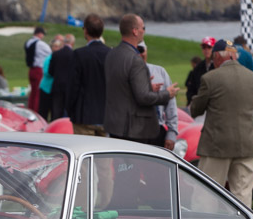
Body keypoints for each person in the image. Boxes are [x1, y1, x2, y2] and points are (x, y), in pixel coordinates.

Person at [190, 39, 253, 206]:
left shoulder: (210, 78)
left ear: (217, 57)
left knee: (207, 195)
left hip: (217, 145)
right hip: (247, 143)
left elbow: (196, 110)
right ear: (234, 56)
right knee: (243, 195)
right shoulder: (252, 78)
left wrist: (196, 99)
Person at [103, 14, 178, 144]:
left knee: (121, 164)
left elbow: (122, 88)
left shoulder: (112, 54)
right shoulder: (135, 60)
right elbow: (143, 97)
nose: (144, 31)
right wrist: (167, 94)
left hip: (115, 126)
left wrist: (148, 87)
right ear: (135, 31)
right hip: (135, 129)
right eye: (143, 27)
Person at [67, 14, 110, 137]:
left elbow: (72, 87)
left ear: (85, 31)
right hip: (105, 116)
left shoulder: (79, 55)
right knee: (104, 155)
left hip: (83, 116)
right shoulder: (110, 54)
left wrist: (70, 110)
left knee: (84, 153)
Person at [137, 42, 178, 150]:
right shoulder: (125, 73)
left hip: (157, 130)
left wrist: (171, 133)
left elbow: (171, 105)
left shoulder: (159, 72)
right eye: (136, 50)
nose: (139, 54)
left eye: (142, 50)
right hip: (134, 130)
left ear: (146, 51)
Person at [47, 34, 76, 120]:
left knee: (56, 111)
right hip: (69, 87)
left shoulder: (56, 54)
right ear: (72, 43)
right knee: (68, 112)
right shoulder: (74, 54)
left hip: (57, 86)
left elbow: (50, 71)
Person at [24, 26, 50, 113]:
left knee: (33, 92)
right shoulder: (40, 44)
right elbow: (50, 52)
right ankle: (36, 112)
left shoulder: (28, 42)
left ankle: (30, 111)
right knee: (38, 93)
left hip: (31, 70)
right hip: (39, 69)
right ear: (39, 34)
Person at [38, 36, 63, 122]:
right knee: (43, 111)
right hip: (46, 88)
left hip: (54, 89)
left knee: (54, 112)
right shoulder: (48, 59)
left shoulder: (60, 58)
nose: (57, 48)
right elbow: (46, 72)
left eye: (58, 46)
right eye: (55, 46)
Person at [185, 36, 215, 105]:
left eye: (209, 47)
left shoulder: (218, 66)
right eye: (204, 47)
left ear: (214, 49)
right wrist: (192, 99)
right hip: (200, 105)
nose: (206, 50)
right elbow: (192, 87)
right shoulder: (198, 67)